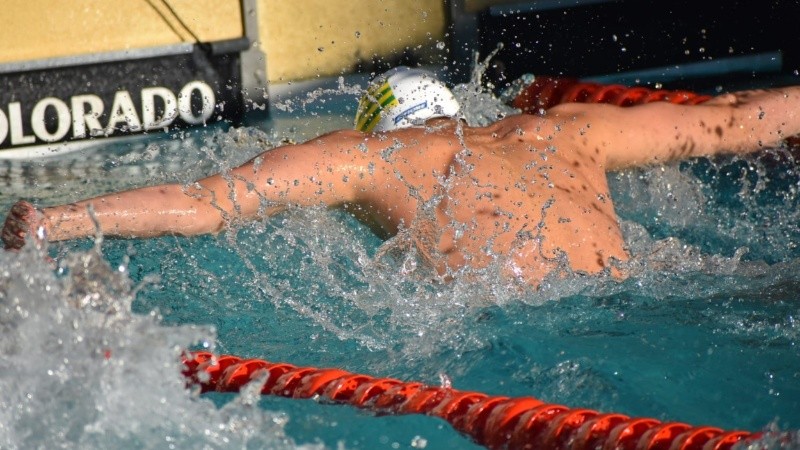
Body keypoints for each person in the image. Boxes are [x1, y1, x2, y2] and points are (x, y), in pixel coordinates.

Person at [3, 67, 800, 286]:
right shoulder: (561, 131)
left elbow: (205, 203)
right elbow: (732, 119)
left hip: (533, 321)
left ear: (377, 127)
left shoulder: (370, 156)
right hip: (647, 284)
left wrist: (54, 221)